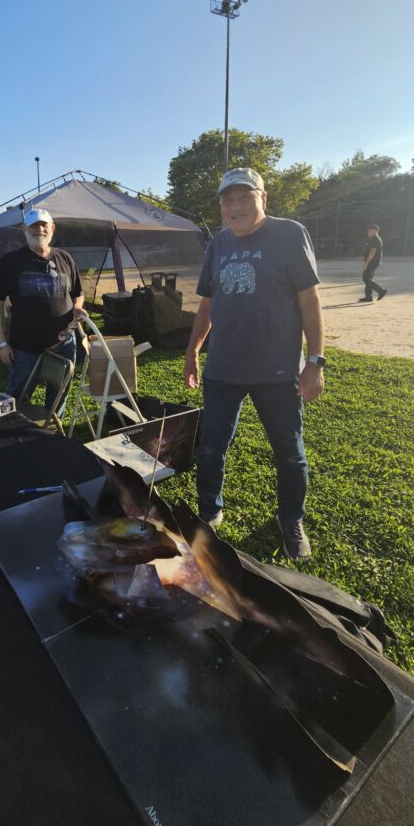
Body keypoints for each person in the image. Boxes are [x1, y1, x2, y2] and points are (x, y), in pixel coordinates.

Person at [184, 167, 325, 559]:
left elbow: (309, 301)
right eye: (228, 200)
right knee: (211, 447)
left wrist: (314, 361)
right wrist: (194, 349)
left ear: (264, 199)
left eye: (244, 197)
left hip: (277, 372)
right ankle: (210, 512)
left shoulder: (289, 234)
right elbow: (208, 303)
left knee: (289, 451)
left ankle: (290, 519)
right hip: (222, 370)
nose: (235, 206)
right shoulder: (218, 245)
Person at [0, 209, 84, 407]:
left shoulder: (65, 258)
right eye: (33, 225)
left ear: (52, 229)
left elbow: (78, 293)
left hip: (64, 344)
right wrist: (2, 343)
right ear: (24, 229)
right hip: (25, 347)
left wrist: (77, 308)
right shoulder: (10, 262)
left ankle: (52, 433)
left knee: (59, 395)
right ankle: (16, 432)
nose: (39, 229)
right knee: (18, 397)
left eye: (44, 225)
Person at [359, 224, 387, 302]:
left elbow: (372, 252)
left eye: (369, 230)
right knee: (368, 279)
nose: (368, 231)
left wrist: (366, 263)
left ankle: (381, 291)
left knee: (366, 279)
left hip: (372, 262)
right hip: (373, 262)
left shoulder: (375, 239)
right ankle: (368, 296)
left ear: (375, 231)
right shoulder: (373, 239)